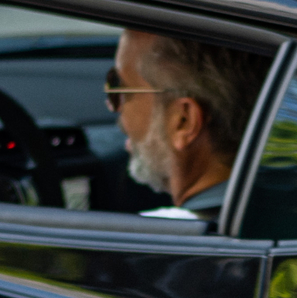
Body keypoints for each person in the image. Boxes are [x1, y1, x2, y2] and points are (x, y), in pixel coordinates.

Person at [106, 29, 267, 217]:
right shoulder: (273, 211)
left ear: (183, 120)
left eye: (120, 90)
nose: (113, 107)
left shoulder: (158, 232)